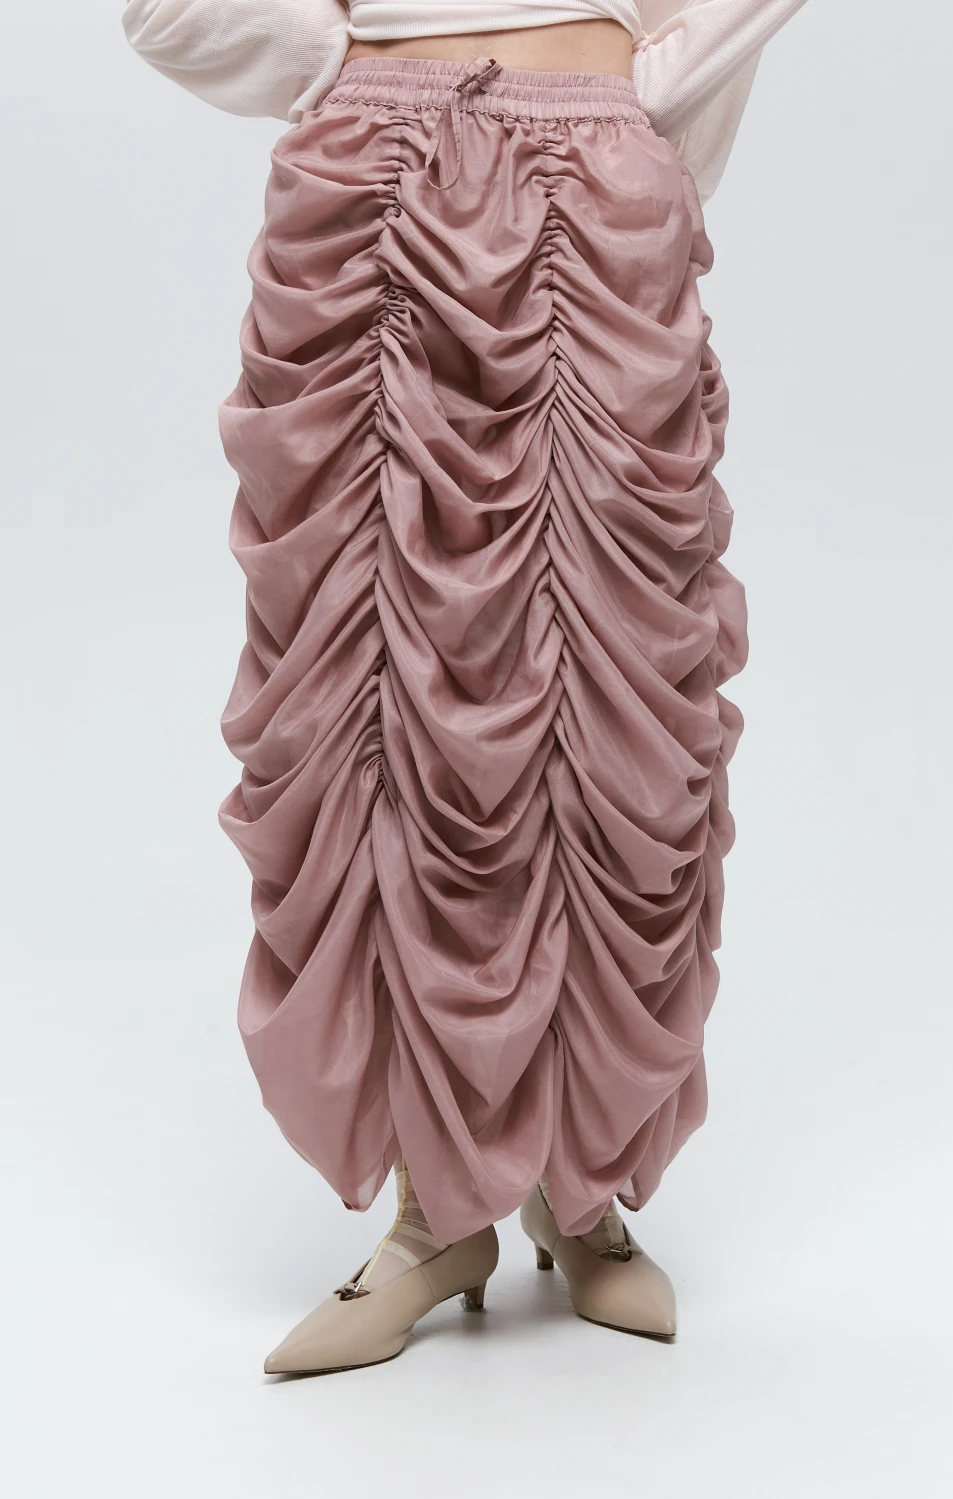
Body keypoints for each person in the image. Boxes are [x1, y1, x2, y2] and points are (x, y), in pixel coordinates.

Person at [123, 0, 808, 1375]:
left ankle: (579, 1179)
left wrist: (631, 95)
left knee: (614, 684)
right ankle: (433, 1210)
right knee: (397, 701)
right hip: (377, 199)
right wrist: (340, 69)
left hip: (595, 206)